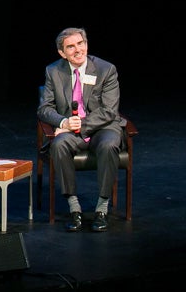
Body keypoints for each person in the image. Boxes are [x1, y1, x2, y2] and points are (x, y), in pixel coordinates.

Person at [37, 27, 124, 233]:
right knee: (58, 145)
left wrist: (79, 125)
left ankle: (102, 208)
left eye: (80, 44)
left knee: (110, 144)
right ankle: (74, 208)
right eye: (71, 46)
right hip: (71, 131)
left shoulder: (106, 69)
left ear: (86, 45)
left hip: (102, 127)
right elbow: (44, 108)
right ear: (62, 53)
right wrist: (63, 122)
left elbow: (109, 110)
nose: (77, 50)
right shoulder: (53, 71)